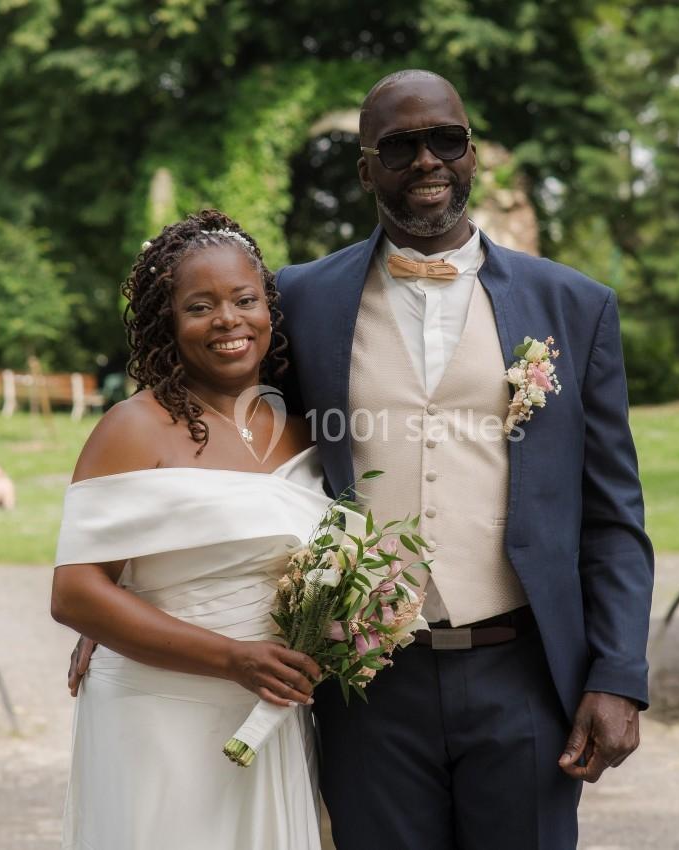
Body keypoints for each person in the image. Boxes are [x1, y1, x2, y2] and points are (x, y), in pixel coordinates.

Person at [272, 70, 655, 850]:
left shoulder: (574, 308)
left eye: (446, 140)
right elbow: (237, 450)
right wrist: (145, 580)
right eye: (400, 146)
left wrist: (617, 673)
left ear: (471, 152)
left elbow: (613, 515)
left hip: (522, 673)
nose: (426, 161)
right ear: (365, 168)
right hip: (366, 684)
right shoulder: (300, 300)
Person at [49, 210, 331, 850]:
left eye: (244, 299)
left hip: (274, 711)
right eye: (199, 306)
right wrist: (232, 658)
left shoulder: (305, 424)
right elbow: (75, 593)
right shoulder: (132, 428)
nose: (228, 320)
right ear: (167, 324)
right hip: (161, 708)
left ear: (269, 311)